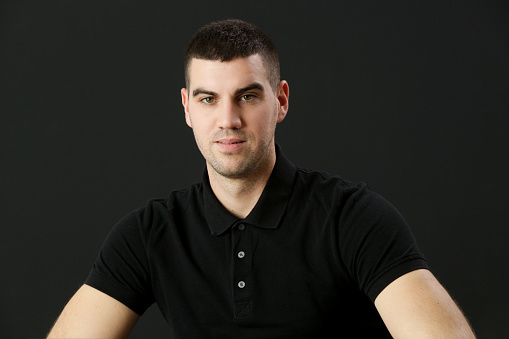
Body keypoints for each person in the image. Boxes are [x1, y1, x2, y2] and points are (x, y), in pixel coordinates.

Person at [47, 19, 475, 338]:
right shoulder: (150, 234)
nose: (228, 119)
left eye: (247, 96)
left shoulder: (352, 218)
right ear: (187, 109)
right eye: (208, 99)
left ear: (281, 100)